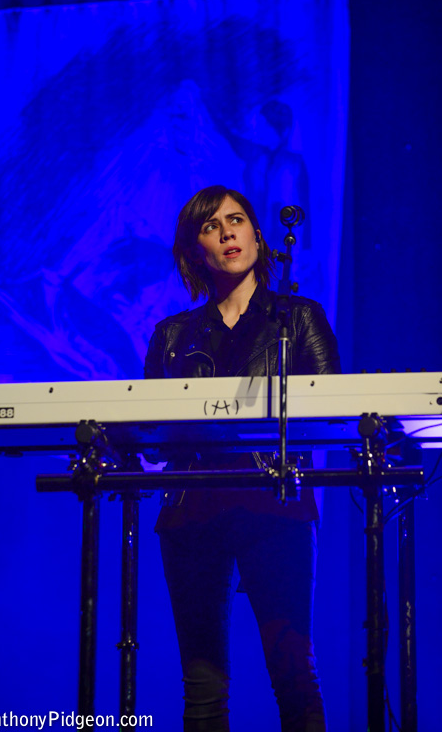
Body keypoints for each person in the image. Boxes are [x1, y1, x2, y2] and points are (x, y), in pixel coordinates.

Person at [144, 185, 341, 732]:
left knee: (293, 675)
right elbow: (154, 434)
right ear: (195, 249)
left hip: (275, 508)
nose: (227, 232)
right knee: (202, 688)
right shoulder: (173, 336)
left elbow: (331, 411)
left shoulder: (298, 318)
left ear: (258, 234)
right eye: (211, 226)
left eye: (236, 220)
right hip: (192, 513)